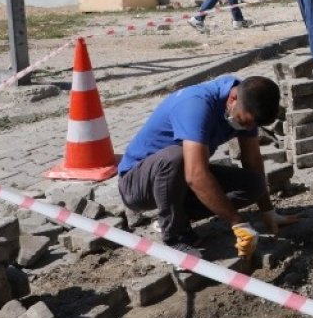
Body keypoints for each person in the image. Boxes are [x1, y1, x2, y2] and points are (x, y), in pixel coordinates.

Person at [117, 75, 294, 258]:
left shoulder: (245, 102)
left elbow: (253, 162)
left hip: (176, 181)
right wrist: (237, 222)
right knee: (178, 157)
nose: (246, 128)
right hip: (136, 184)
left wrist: (267, 211)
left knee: (254, 184)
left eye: (252, 125)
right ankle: (174, 238)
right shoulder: (196, 106)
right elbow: (196, 175)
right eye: (243, 122)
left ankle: (177, 216)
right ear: (232, 99)